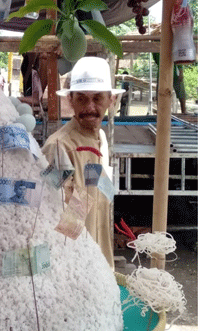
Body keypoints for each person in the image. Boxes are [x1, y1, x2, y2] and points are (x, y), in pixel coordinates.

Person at [42, 56, 124, 270]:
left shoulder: (101, 140)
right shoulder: (59, 147)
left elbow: (96, 195)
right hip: (74, 270)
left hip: (100, 262)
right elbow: (49, 215)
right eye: (82, 99)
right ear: (70, 100)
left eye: (98, 98)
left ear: (111, 100)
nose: (90, 107)